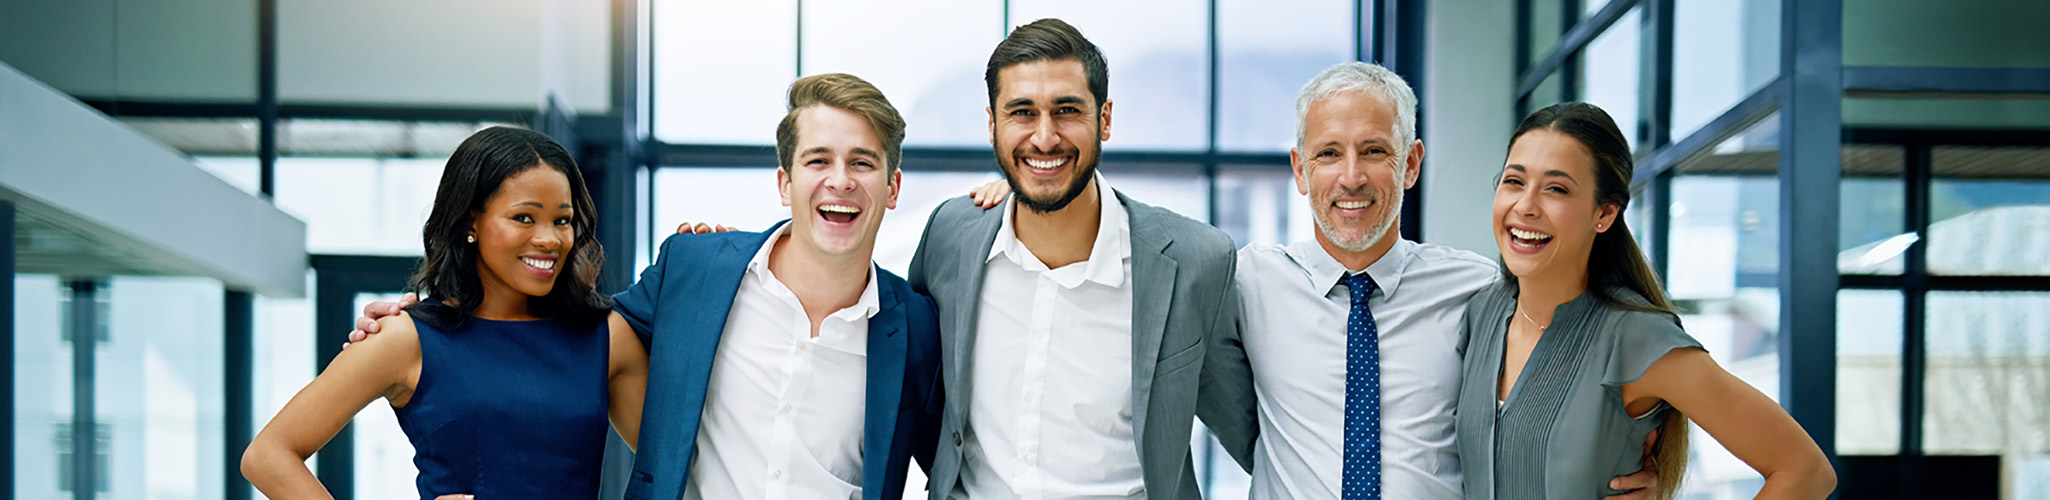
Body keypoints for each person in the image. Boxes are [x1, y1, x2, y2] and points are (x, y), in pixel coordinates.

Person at [964, 62, 1666, 500]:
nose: (1351, 177)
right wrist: (1026, 196)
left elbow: (1587, 364)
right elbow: (1121, 261)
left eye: (1374, 152)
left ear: (1412, 163)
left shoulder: (1481, 290)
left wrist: (1654, 466)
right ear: (1299, 170)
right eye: (1328, 154)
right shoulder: (1241, 281)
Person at [352, 73, 945, 500]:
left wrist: (1007, 211)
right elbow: (556, 336)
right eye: (819, 161)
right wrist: (429, 322)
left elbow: (963, 463)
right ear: (785, 181)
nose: (839, 181)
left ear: (893, 188)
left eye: (863, 163)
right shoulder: (695, 270)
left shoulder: (916, 325)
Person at [906, 18, 1246, 500]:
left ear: (1104, 118)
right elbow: (909, 383)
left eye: (1066, 110)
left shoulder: (1195, 262)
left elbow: (1256, 434)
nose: (1045, 138)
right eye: (1022, 113)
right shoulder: (952, 233)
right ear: (992, 125)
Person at [243, 126, 650, 499]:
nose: (549, 239)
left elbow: (683, 467)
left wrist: (704, 259)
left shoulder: (607, 336)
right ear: (471, 221)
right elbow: (268, 455)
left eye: (563, 220)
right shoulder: (405, 338)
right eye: (523, 217)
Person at [1454, 101, 1835, 499]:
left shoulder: (1636, 339)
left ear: (1604, 213)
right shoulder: (1482, 313)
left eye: (1556, 189)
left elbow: (1805, 470)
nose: (1526, 206)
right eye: (1515, 181)